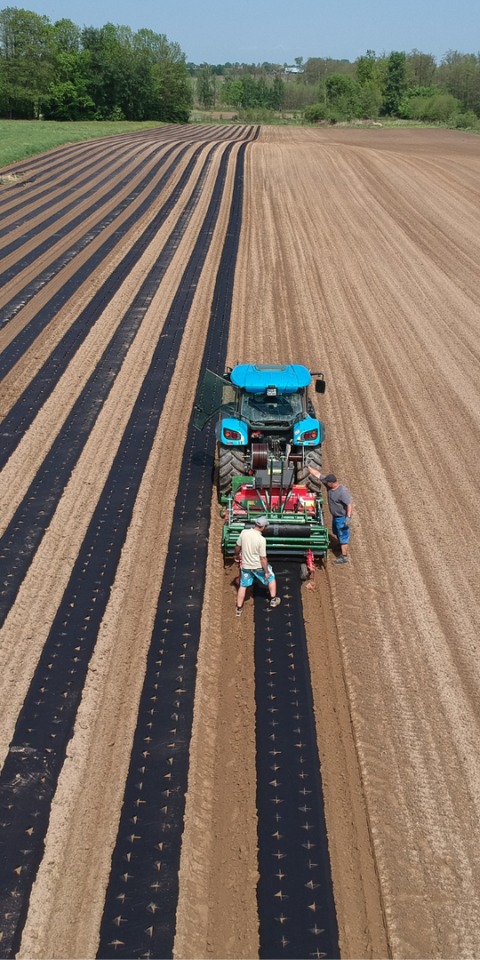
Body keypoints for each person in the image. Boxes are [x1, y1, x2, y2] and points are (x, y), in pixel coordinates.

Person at [234, 516, 281, 616]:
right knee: (272, 578)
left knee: (243, 586)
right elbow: (263, 558)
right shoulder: (261, 539)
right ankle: (273, 600)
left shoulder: (244, 533)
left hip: (246, 566)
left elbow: (237, 546)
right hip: (258, 566)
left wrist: (236, 554)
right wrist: (266, 572)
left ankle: (238, 609)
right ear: (263, 527)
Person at [308, 468, 353, 564]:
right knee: (336, 531)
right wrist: (308, 466)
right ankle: (339, 545)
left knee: (343, 535)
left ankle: (344, 557)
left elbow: (349, 504)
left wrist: (348, 517)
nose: (326, 483)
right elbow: (318, 474)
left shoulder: (342, 492)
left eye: (327, 483)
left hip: (342, 517)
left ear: (332, 483)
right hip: (335, 517)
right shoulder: (329, 485)